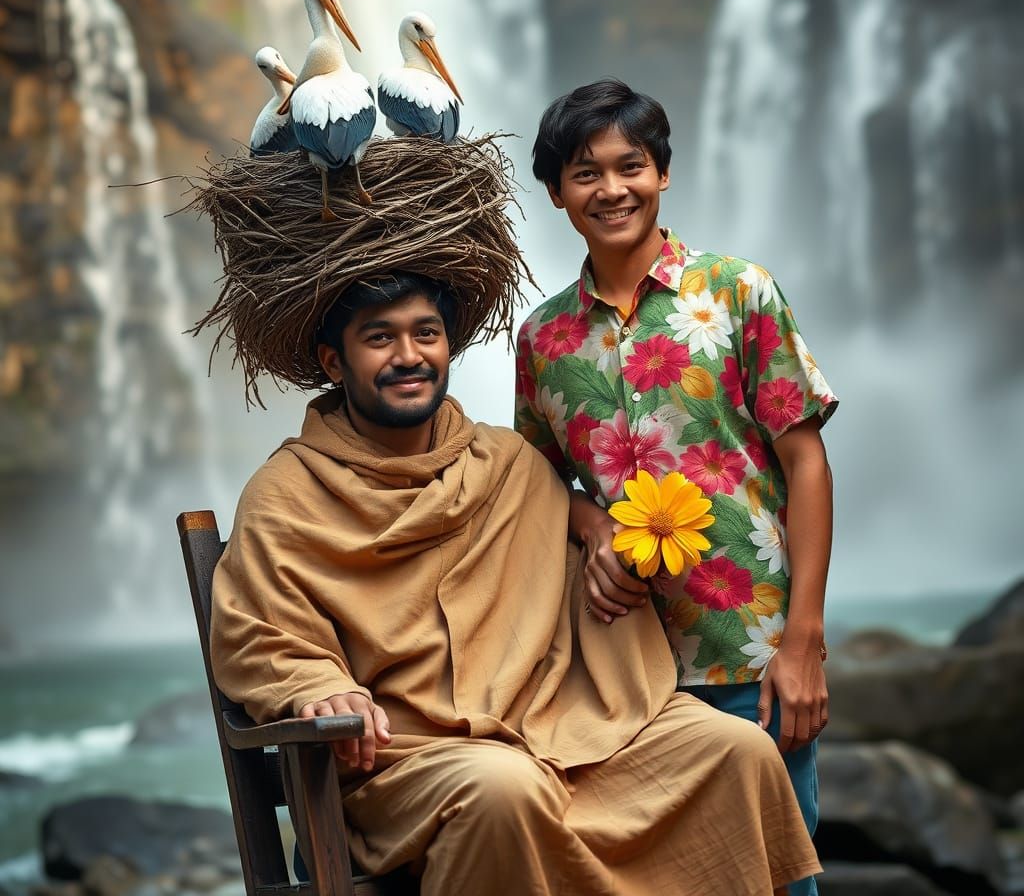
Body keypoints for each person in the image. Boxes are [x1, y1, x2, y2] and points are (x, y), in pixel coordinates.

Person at [209, 267, 821, 895]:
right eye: (380, 339)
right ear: (334, 363)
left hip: (557, 727)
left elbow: (563, 523)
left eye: (426, 334)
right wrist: (320, 686)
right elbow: (260, 631)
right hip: (407, 760)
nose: (409, 356)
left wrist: (593, 528)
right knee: (503, 790)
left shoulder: (504, 462)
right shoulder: (284, 494)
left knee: (733, 748)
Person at [515, 79, 838, 896]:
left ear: (663, 173)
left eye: (631, 166)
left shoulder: (738, 291)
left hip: (746, 648)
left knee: (777, 875)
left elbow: (805, 462)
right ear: (556, 193)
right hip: (619, 666)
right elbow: (534, 485)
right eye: (585, 173)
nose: (611, 189)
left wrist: (802, 642)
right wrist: (590, 526)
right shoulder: (543, 339)